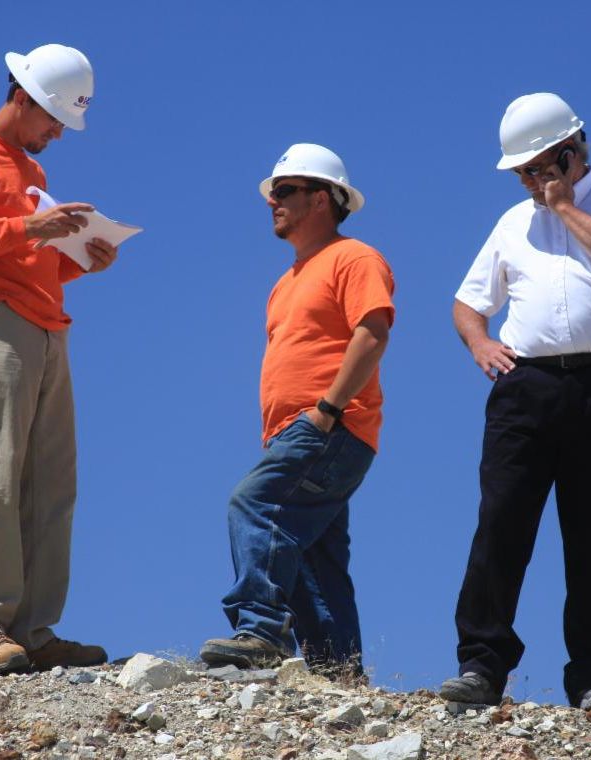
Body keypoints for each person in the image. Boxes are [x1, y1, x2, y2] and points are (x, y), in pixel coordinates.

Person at [440, 93, 591, 714]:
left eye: (534, 168)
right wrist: (480, 342)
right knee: (501, 523)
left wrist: (563, 206)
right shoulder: (512, 223)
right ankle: (481, 666)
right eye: (520, 172)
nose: (526, 182)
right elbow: (468, 301)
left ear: (569, 154)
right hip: (526, 389)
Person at [0, 44, 119, 675]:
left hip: (46, 326)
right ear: (22, 98)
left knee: (52, 483)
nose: (57, 133)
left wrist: (82, 261)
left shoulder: (30, 171)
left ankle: (32, 630)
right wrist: (34, 228)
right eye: (54, 119)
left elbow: (30, 261)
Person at [200, 144, 395, 676]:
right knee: (314, 559)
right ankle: (339, 674)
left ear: (322, 199)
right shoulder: (287, 281)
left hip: (330, 425)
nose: (272, 201)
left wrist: (327, 409)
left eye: (284, 191)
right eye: (272, 193)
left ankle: (261, 630)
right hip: (300, 430)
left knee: (254, 504)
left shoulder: (354, 258)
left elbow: (373, 332)